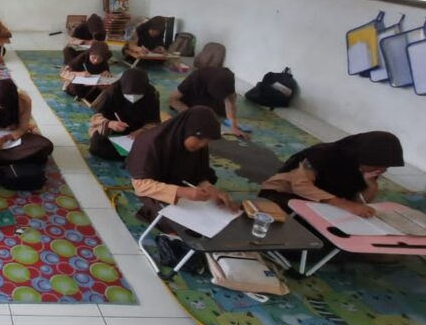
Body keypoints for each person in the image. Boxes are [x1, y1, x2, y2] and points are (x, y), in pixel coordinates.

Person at [125, 106, 234, 227]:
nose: (202, 144)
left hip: (183, 186)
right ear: (186, 130)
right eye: (199, 139)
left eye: (207, 141)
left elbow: (199, 173)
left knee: (210, 222)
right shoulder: (150, 143)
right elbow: (140, 185)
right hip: (155, 187)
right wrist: (181, 191)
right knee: (177, 225)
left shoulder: (198, 145)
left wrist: (209, 188)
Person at [260, 132, 404, 218]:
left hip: (325, 204)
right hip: (285, 194)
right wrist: (343, 204)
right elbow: (300, 186)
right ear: (362, 156)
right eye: (378, 166)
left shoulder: (366, 167)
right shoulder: (322, 155)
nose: (381, 171)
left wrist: (371, 185)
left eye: (385, 167)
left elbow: (359, 203)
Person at [88, 68, 161, 160]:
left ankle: (134, 155)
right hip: (112, 129)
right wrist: (110, 124)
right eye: (128, 95)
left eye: (138, 95)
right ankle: (136, 155)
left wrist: (141, 131)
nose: (133, 98)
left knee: (161, 143)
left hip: (137, 131)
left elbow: (154, 122)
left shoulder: (151, 94)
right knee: (97, 145)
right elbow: (96, 118)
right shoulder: (112, 92)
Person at [0, 79, 54, 165]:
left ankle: (3, 160)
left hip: (16, 135)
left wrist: (5, 138)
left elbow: (22, 129)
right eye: (0, 107)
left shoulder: (24, 101)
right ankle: (20, 159)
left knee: (46, 145)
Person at [169, 66, 247, 138]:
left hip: (212, 99)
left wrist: (234, 127)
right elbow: (173, 99)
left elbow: (230, 103)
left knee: (219, 114)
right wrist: (191, 114)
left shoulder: (228, 81)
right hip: (194, 98)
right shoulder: (196, 77)